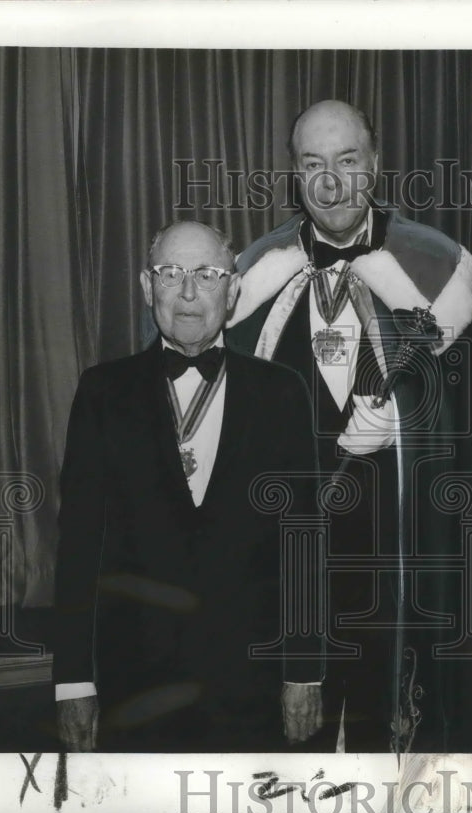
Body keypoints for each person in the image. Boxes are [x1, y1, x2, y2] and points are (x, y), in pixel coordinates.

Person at [226, 100, 472, 753]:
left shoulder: (438, 269)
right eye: (313, 164)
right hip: (289, 575)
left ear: (374, 165)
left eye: (347, 160)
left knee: (398, 760)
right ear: (294, 174)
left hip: (400, 563)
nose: (330, 181)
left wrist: (404, 424)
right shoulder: (252, 277)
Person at [52, 220, 323, 752]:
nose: (190, 292)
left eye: (207, 274)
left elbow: (305, 543)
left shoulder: (283, 393)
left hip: (253, 688)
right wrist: (73, 681)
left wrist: (305, 671)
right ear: (147, 287)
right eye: (172, 273)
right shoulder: (102, 392)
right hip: (134, 686)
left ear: (234, 288)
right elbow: (78, 546)